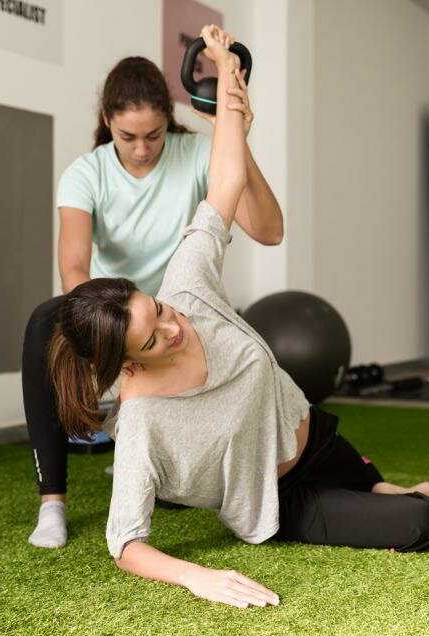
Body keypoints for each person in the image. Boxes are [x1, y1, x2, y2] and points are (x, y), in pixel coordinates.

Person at [48, 25, 429, 609]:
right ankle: (381, 496)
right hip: (279, 496)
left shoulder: (185, 286)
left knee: (367, 473)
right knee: (424, 524)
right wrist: (198, 577)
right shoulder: (142, 424)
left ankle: (373, 481)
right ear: (129, 365)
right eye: (154, 339)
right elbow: (126, 543)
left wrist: (228, 78)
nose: (174, 325)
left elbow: (228, 179)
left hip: (311, 432)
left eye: (155, 310)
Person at [23, 31, 284, 548]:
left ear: (170, 121)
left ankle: (153, 466)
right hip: (117, 317)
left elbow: (269, 230)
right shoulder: (85, 174)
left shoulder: (193, 152)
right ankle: (52, 500)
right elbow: (74, 269)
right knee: (42, 322)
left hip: (179, 313)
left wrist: (232, 135)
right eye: (127, 137)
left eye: (154, 135)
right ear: (106, 120)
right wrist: (112, 331)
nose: (142, 150)